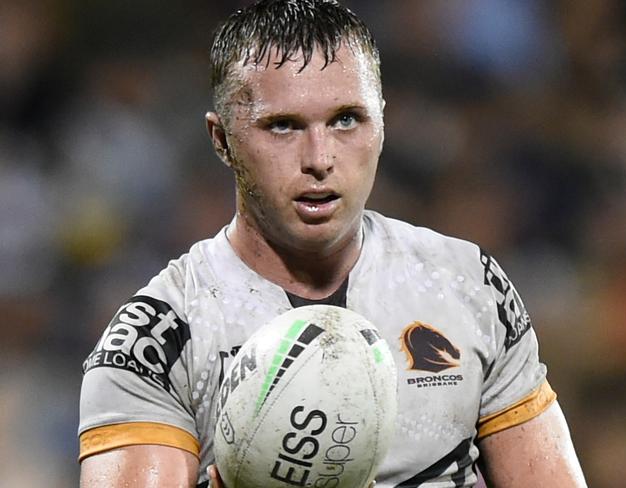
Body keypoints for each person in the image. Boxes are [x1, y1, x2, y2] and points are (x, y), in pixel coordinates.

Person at [78, 1, 588, 486]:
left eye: (346, 119)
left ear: (382, 122)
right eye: (282, 126)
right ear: (222, 141)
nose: (319, 157)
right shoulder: (158, 339)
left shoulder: (468, 284)